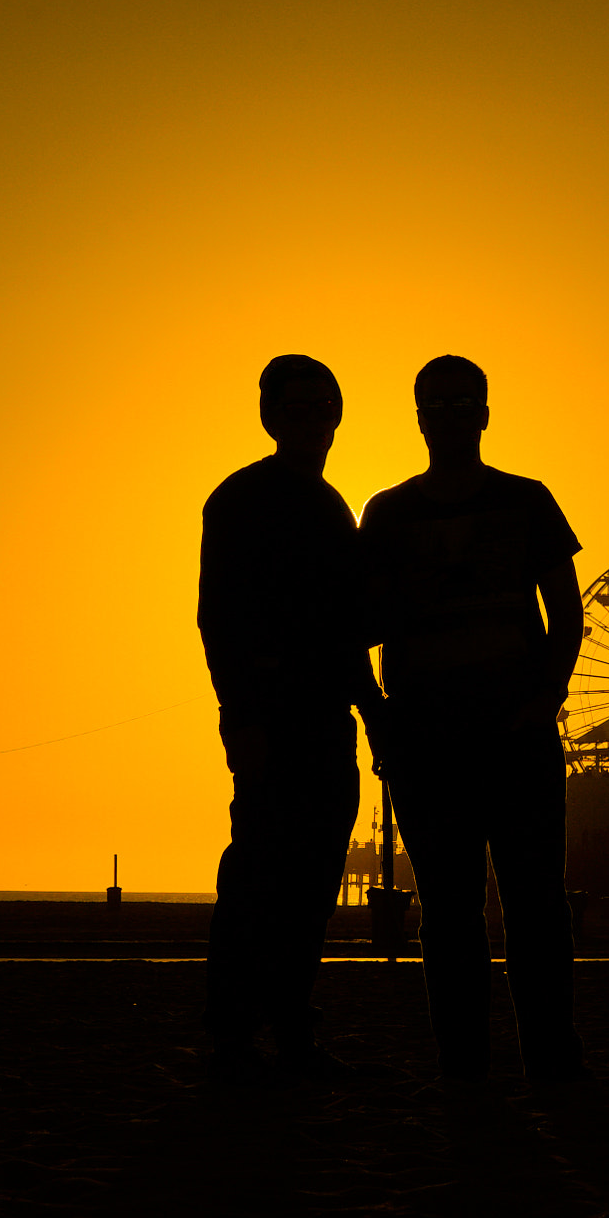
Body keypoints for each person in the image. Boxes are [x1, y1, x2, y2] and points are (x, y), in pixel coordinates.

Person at [360, 355, 587, 1087]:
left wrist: (543, 702)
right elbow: (354, 622)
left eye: (466, 403)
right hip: (428, 742)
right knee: (450, 912)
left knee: (535, 908)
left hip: (516, 737)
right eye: (440, 404)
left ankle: (550, 1066)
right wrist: (381, 719)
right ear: (419, 416)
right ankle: (467, 1070)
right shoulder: (387, 514)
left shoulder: (529, 501)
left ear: (485, 414)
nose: (454, 416)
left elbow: (569, 614)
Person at [198, 353, 384, 1086]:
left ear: (336, 415)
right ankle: (235, 1039)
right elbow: (219, 619)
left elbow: (345, 630)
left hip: (325, 719)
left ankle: (290, 1036)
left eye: (320, 406)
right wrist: (239, 718)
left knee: (310, 888)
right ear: (270, 417)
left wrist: (372, 715)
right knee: (258, 880)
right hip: (273, 721)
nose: (310, 419)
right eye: (296, 406)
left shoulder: (333, 505)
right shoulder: (241, 500)